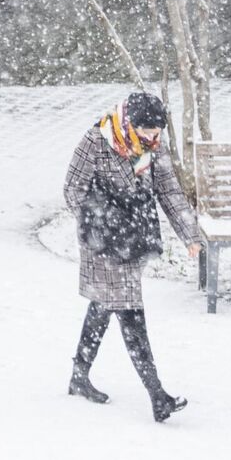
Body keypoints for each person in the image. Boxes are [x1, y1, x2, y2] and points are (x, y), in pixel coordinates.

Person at [62, 91, 201, 422]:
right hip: (103, 241)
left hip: (134, 236)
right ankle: (157, 395)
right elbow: (71, 189)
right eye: (147, 132)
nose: (154, 138)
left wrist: (190, 235)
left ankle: (79, 376)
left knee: (104, 304)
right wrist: (101, 222)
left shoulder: (151, 147)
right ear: (129, 123)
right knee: (130, 311)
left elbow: (169, 191)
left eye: (158, 133)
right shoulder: (97, 140)